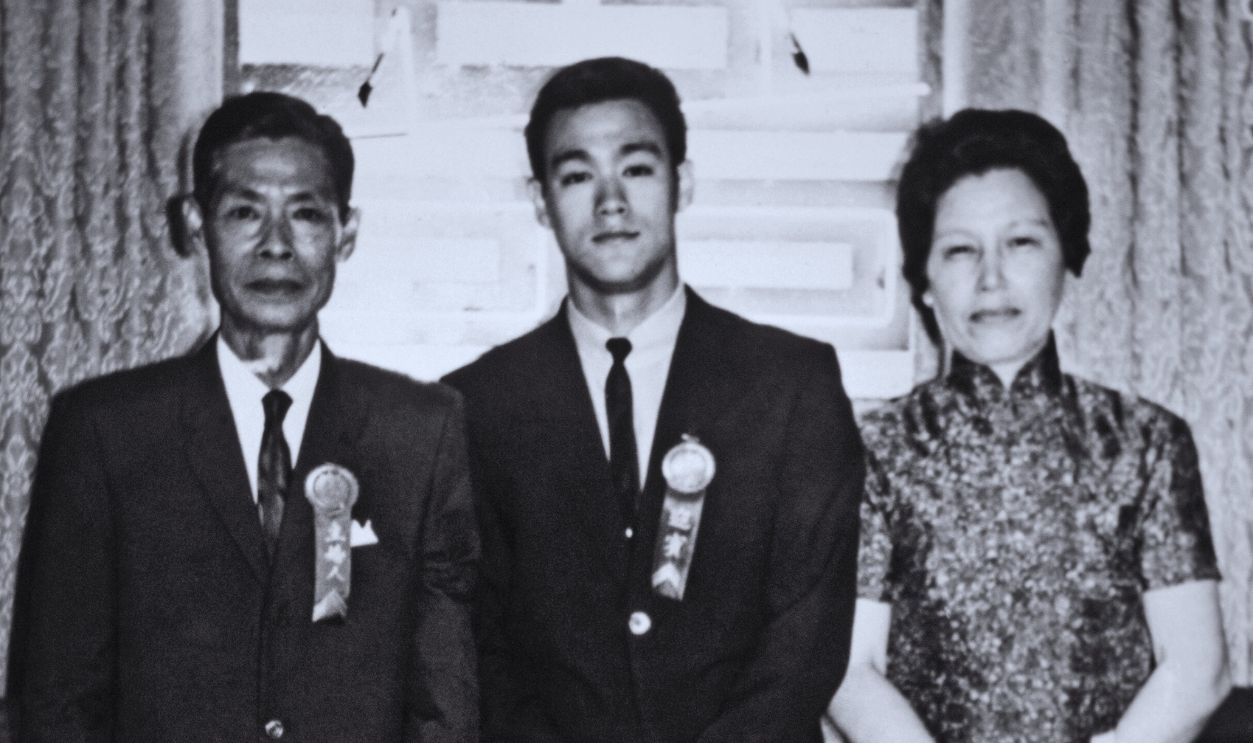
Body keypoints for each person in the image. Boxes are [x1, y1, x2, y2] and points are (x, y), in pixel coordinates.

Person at [16, 91, 478, 742]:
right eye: (244, 212)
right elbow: (57, 705)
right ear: (195, 224)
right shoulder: (104, 433)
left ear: (346, 233)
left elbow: (445, 707)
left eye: (305, 214)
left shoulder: (419, 433)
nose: (276, 246)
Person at [443, 57, 865, 742]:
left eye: (636, 168)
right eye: (577, 176)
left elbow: (805, 640)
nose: (610, 201)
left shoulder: (791, 385)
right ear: (539, 200)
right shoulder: (474, 406)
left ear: (682, 182)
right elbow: (475, 650)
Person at [827, 108, 1230, 743]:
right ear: (924, 280)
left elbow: (1198, 669)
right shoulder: (873, 450)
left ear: (1067, 255)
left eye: (1021, 242)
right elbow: (851, 669)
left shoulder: (1147, 443)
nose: (991, 279)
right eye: (960, 250)